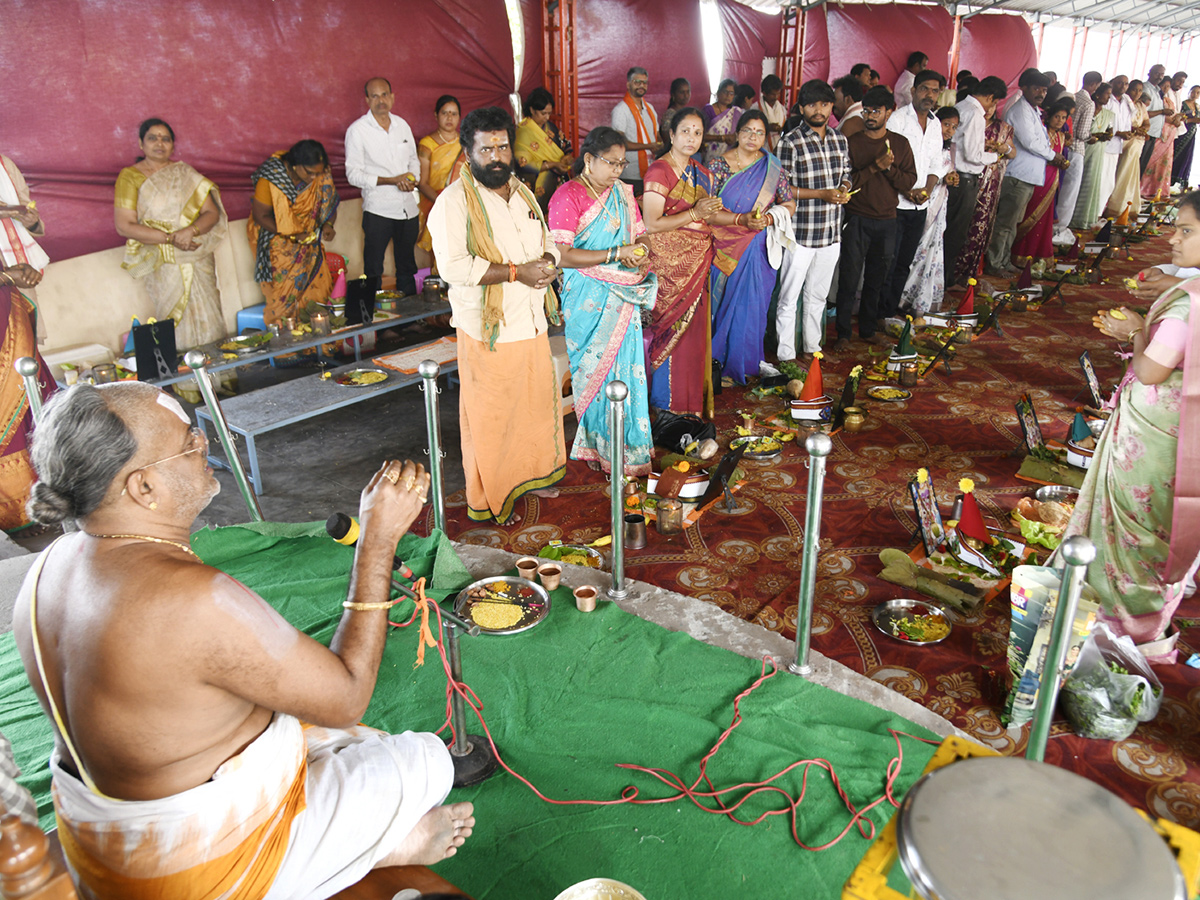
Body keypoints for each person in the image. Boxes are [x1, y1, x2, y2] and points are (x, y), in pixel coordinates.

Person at [12, 382, 474, 898]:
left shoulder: (47, 567)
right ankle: (371, 851)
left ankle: (348, 845)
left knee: (334, 736)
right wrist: (377, 542)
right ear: (143, 487)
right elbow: (346, 697)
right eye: (188, 442)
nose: (204, 444)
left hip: (100, 840)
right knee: (425, 761)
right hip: (193, 869)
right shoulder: (190, 599)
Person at [1060, 190, 1200, 661]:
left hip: (1158, 436)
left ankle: (1120, 626)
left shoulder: (1188, 306)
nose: (1173, 239)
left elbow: (1151, 370)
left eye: (1186, 231)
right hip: (1186, 431)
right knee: (1165, 524)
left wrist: (1136, 331)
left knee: (1135, 529)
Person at [429, 107, 566, 524]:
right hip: (489, 329)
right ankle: (494, 495)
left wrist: (548, 262)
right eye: (486, 149)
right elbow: (453, 267)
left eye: (502, 147)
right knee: (493, 419)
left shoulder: (522, 192)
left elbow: (547, 241)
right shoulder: (454, 202)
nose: (496, 157)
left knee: (533, 409)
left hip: (531, 321)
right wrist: (517, 273)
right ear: (468, 153)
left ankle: (530, 477)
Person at [548, 127, 657, 474]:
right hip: (587, 297)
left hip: (623, 294)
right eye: (611, 163)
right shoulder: (568, 195)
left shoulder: (623, 193)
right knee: (593, 370)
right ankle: (599, 445)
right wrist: (615, 253)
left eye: (622, 163)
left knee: (628, 367)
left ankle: (629, 446)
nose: (617, 170)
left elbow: (641, 235)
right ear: (589, 159)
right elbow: (562, 255)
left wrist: (640, 253)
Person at [641, 108, 729, 416]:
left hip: (696, 265)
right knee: (671, 333)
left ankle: (690, 408)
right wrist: (694, 213)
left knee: (693, 336)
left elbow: (709, 216)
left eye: (698, 133)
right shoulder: (659, 171)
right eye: (685, 131)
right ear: (672, 134)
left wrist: (741, 219)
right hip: (669, 271)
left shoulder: (702, 173)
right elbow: (651, 223)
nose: (692, 138)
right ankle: (666, 409)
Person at [113, 119, 228, 350]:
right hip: (163, 260)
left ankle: (218, 368)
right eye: (152, 138)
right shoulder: (130, 176)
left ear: (173, 145)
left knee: (209, 313)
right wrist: (172, 239)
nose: (159, 143)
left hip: (196, 255)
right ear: (141, 144)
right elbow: (124, 225)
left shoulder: (184, 173)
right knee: (173, 319)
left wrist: (190, 231)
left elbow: (211, 213)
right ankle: (184, 371)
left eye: (165, 139)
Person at [708, 110, 795, 382]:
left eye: (759, 132)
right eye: (747, 130)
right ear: (737, 133)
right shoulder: (718, 165)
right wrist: (740, 220)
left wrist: (768, 218)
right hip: (723, 246)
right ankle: (716, 361)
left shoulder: (772, 168)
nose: (753, 137)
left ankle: (747, 361)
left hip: (757, 246)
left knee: (752, 306)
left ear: (766, 137)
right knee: (722, 304)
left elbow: (789, 203)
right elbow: (707, 211)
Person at [832, 86, 916, 348]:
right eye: (866, 111)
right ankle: (843, 333)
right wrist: (875, 167)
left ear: (889, 112)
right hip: (856, 218)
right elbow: (845, 184)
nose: (869, 116)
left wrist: (888, 169)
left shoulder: (900, 144)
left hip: (888, 220)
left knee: (876, 279)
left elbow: (909, 182)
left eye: (876, 111)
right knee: (849, 278)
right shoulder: (852, 142)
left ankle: (867, 329)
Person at [776, 80, 851, 362]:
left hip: (831, 232)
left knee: (818, 296)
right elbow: (782, 189)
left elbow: (847, 173)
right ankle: (786, 355)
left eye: (824, 104)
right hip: (800, 233)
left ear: (832, 106)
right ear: (801, 108)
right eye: (811, 105)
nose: (818, 110)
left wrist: (844, 189)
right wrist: (821, 194)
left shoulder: (839, 139)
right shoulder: (790, 142)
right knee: (789, 297)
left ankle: (812, 348)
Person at [0, 154, 52, 532]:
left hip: (10, 298)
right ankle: (14, 508)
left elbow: (30, 218)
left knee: (29, 387)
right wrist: (6, 274)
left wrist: (29, 219)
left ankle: (44, 493)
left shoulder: (4, 164)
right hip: (6, 283)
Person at [248, 140, 339, 325]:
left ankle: (318, 337)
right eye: (309, 172)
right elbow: (260, 216)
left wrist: (328, 224)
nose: (314, 178)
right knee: (283, 299)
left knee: (318, 295)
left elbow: (328, 204)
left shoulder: (320, 173)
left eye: (318, 173)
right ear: (295, 165)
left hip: (309, 244)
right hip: (278, 245)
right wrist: (293, 234)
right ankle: (287, 339)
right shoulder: (272, 177)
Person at [985, 68, 1066, 277]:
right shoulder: (1021, 110)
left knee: (1012, 223)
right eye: (1036, 88)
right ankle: (994, 263)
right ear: (1024, 88)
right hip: (1017, 176)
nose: (1041, 93)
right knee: (1005, 223)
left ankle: (1004, 261)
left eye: (1044, 90)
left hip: (1026, 176)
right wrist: (1053, 155)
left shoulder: (1033, 110)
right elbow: (1030, 142)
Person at [345, 78, 421, 297]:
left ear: (392, 97)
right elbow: (353, 175)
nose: (381, 100)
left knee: (407, 266)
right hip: (378, 210)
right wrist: (391, 180)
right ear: (367, 100)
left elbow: (413, 159)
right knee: (373, 268)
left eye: (385, 94)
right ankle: (374, 318)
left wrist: (412, 179)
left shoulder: (402, 125)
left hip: (408, 208)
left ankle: (409, 315)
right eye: (375, 96)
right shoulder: (358, 130)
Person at [884, 69, 948, 317]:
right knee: (888, 262)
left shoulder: (935, 124)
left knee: (904, 262)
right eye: (924, 89)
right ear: (913, 91)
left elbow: (936, 163)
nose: (929, 95)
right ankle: (878, 313)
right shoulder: (898, 120)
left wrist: (927, 191)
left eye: (934, 91)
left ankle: (891, 311)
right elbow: (888, 162)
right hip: (896, 204)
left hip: (920, 205)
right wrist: (907, 190)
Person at [947, 75, 1008, 285]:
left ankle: (944, 279)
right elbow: (973, 155)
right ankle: (947, 281)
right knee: (955, 233)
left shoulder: (962, 106)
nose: (992, 107)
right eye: (995, 102)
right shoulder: (975, 114)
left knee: (950, 230)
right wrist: (995, 157)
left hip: (955, 176)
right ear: (990, 97)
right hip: (965, 180)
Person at [898, 106, 958, 315]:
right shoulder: (925, 146)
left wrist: (952, 178)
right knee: (914, 249)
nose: (949, 130)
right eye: (946, 124)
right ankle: (900, 296)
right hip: (920, 200)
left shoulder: (948, 150)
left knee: (930, 249)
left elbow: (946, 171)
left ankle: (916, 296)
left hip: (938, 203)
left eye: (954, 127)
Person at [1010, 100, 1072, 269]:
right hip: (1038, 177)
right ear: (1049, 117)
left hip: (1052, 181)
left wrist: (1063, 163)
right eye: (1057, 117)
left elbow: (1061, 157)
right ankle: (1019, 253)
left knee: (1044, 219)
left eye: (1063, 118)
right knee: (1029, 214)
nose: (1059, 121)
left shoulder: (1061, 137)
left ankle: (1039, 256)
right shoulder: (1041, 132)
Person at [417, 95, 463, 271]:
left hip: (461, 205)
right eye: (445, 113)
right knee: (440, 251)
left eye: (454, 114)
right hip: (436, 203)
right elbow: (422, 183)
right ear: (436, 115)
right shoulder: (427, 144)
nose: (449, 118)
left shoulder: (465, 143)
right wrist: (443, 202)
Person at [1055, 71, 1102, 242]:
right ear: (1095, 85)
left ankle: (1054, 226)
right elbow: (1081, 133)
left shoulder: (1074, 97)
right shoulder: (1089, 103)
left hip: (1062, 149)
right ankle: (1059, 229)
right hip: (1075, 150)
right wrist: (1092, 137)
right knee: (1069, 192)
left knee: (1060, 189)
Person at [516, 87, 574, 212]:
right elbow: (522, 164)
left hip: (558, 185)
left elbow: (565, 147)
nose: (547, 117)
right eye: (543, 113)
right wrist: (553, 164)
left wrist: (566, 158)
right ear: (532, 110)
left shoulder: (551, 128)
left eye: (549, 113)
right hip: (536, 186)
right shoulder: (523, 132)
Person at [1071, 83, 1117, 230]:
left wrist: (1102, 136)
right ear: (1097, 94)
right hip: (1082, 149)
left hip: (1097, 152)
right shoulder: (1088, 109)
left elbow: (1110, 133)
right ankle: (1070, 219)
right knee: (1075, 184)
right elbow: (1081, 132)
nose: (1109, 97)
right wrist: (1096, 136)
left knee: (1091, 183)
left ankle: (1084, 219)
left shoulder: (1108, 114)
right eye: (1107, 94)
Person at [611, 67, 660, 193]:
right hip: (630, 173)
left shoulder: (650, 109)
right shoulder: (621, 110)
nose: (641, 85)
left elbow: (657, 134)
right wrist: (649, 146)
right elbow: (620, 143)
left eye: (644, 82)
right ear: (628, 85)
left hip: (651, 170)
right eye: (637, 82)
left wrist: (660, 144)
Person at [1105, 80, 1149, 218]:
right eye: (1135, 90)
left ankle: (1124, 203)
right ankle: (1112, 204)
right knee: (1117, 170)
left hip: (1136, 140)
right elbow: (1121, 123)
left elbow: (1147, 122)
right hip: (1123, 139)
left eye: (1140, 90)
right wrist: (1134, 129)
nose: (1137, 93)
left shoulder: (1141, 105)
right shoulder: (1124, 102)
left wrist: (1143, 129)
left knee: (1130, 169)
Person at [1099, 76, 1135, 217]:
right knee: (1100, 181)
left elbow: (1127, 121)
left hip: (1116, 147)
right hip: (1104, 145)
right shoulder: (1107, 99)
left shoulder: (1126, 101)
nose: (1123, 86)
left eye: (1126, 84)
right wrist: (1118, 133)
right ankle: (1094, 214)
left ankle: (1100, 213)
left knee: (1109, 183)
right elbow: (1101, 122)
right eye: (1120, 83)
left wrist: (1127, 132)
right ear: (1112, 83)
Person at [1142, 73, 1181, 200]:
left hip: (1168, 135)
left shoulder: (1168, 100)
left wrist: (1178, 118)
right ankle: (1145, 188)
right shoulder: (1155, 98)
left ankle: (1158, 190)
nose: (1165, 88)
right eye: (1164, 86)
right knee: (1150, 162)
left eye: (1168, 86)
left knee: (1164, 164)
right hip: (1158, 133)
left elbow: (1176, 114)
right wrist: (1169, 117)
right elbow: (1149, 114)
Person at [1140, 64, 1168, 176]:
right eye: (1157, 73)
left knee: (1144, 164)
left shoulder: (1157, 90)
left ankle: (1137, 184)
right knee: (1139, 162)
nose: (1160, 77)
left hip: (1154, 133)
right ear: (1149, 73)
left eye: (1162, 74)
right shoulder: (1146, 88)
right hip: (1146, 132)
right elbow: (1143, 112)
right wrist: (1162, 111)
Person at [703, 79, 739, 164]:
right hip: (709, 155)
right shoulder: (708, 110)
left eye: (731, 93)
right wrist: (722, 138)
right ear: (718, 92)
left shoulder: (736, 113)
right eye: (725, 92)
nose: (728, 95)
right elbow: (700, 135)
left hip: (728, 157)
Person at [1173, 83, 1200, 190]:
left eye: (1198, 93)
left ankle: (1181, 181)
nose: (1195, 94)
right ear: (1189, 92)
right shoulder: (1182, 104)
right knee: (1177, 154)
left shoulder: (1197, 107)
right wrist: (1191, 120)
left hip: (1191, 136)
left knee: (1187, 156)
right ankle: (1171, 179)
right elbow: (1178, 118)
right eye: (1193, 92)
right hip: (1182, 133)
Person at [754, 74, 787, 151]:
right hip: (760, 148)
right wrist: (767, 127)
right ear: (764, 93)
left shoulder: (782, 109)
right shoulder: (756, 108)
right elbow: (750, 129)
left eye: (778, 93)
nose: (776, 97)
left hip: (778, 148)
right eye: (772, 94)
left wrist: (781, 129)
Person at [660, 78, 692, 146]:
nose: (686, 95)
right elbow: (667, 138)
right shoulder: (670, 114)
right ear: (673, 94)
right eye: (682, 92)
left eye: (688, 92)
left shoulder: (688, 112)